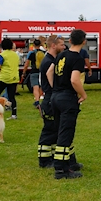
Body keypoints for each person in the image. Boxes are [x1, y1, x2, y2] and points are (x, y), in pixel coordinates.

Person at [46, 29, 87, 180]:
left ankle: (67, 164)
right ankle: (62, 170)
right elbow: (74, 80)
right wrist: (83, 94)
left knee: (60, 131)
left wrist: (55, 88)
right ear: (84, 41)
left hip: (55, 97)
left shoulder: (60, 55)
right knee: (66, 134)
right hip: (67, 99)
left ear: (69, 41)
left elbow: (49, 72)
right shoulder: (78, 58)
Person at [37, 35, 64, 168]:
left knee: (54, 129)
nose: (64, 47)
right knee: (49, 131)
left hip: (50, 98)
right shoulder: (49, 61)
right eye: (61, 44)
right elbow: (49, 76)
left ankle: (52, 157)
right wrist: (57, 89)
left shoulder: (50, 59)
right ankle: (44, 160)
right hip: (49, 99)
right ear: (53, 45)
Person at [0, 38, 21, 119]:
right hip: (14, 78)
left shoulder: (2, 55)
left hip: (4, 78)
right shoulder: (15, 54)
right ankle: (14, 114)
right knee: (12, 97)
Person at [23, 39, 46, 109]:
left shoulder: (32, 53)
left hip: (34, 72)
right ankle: (42, 101)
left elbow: (26, 64)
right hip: (41, 71)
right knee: (41, 87)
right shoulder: (43, 53)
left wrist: (24, 72)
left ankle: (37, 101)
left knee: (35, 88)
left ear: (33, 45)